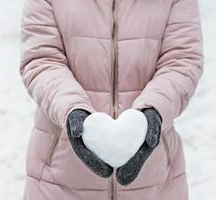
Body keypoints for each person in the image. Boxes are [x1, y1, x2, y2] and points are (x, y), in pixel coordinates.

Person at [19, 0, 204, 199]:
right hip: (58, 180)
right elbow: (42, 59)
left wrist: (152, 113)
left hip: (154, 180)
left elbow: (182, 59)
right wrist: (72, 111)